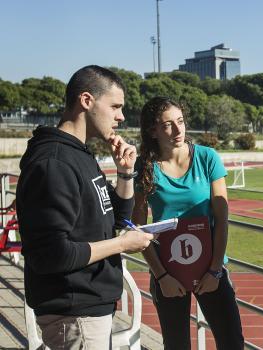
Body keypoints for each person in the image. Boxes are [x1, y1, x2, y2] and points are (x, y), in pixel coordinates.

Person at [16, 65, 154, 349]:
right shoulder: (55, 161)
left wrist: (125, 174)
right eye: (115, 106)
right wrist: (121, 244)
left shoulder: (78, 153)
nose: (121, 116)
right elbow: (53, 254)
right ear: (87, 100)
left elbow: (115, 218)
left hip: (88, 307)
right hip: (74, 312)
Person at [132, 96, 243, 350]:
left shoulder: (207, 158)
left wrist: (215, 270)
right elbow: (139, 231)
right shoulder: (146, 166)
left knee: (232, 342)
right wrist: (161, 276)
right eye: (168, 124)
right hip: (168, 274)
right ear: (153, 130)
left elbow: (222, 219)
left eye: (180, 121)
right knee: (177, 345)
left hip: (212, 271)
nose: (178, 130)